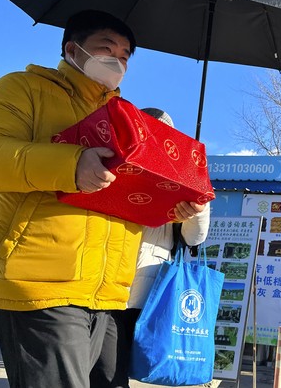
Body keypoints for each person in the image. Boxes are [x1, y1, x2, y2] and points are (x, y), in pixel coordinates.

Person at [0, 10, 201, 388]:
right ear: (73, 49)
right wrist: (71, 165)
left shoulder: (129, 119)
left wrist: (172, 204)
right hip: (41, 283)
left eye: (125, 56)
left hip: (108, 293)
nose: (117, 61)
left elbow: (130, 198)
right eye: (106, 49)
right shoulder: (22, 89)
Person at [90, 108, 211, 387]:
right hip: (103, 286)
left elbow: (194, 238)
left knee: (120, 372)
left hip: (149, 295)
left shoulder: (181, 174)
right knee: (105, 374)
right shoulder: (114, 162)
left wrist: (197, 207)